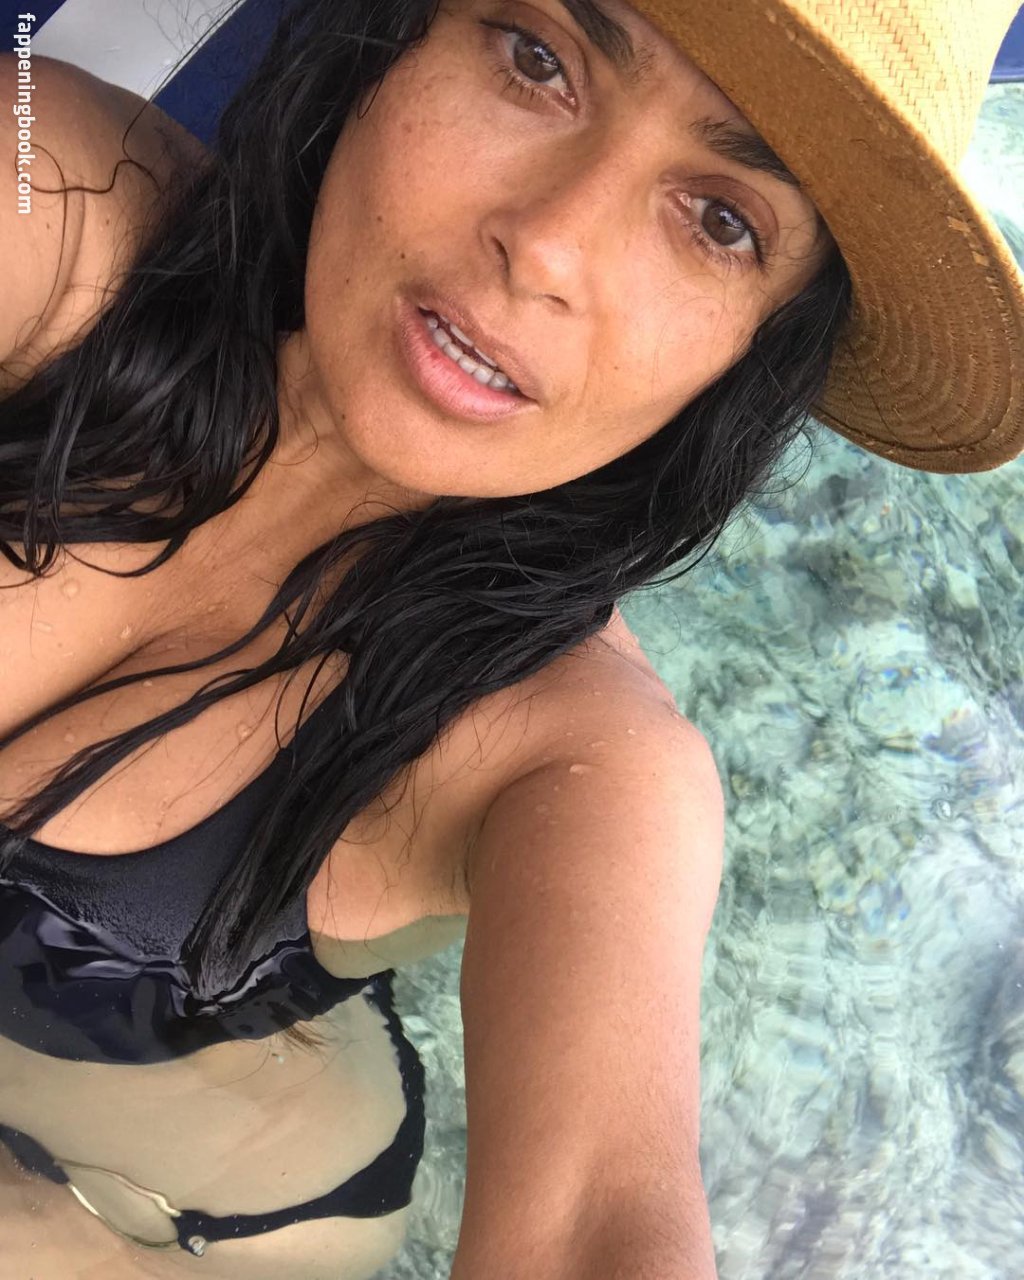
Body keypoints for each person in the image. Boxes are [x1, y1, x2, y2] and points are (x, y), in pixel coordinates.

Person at [0, 0, 1020, 1276]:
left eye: (719, 220)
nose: (546, 246)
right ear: (395, 37)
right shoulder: (56, 201)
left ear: (750, 353)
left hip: (169, 1195)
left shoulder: (577, 761)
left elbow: (595, 1220)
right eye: (538, 59)